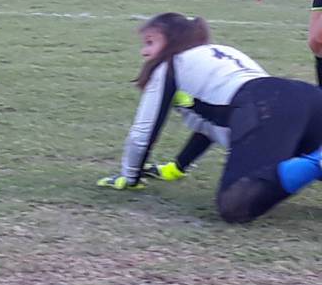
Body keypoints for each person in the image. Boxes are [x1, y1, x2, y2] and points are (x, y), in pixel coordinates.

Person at [97, 12, 322, 224]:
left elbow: (142, 134)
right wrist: (178, 166)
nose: (143, 52)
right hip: (307, 96)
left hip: (266, 105)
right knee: (294, 157)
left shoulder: (170, 66)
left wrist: (130, 176)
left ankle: (317, 162)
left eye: (150, 42)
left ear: (172, 42)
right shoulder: (220, 52)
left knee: (234, 205)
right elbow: (212, 119)